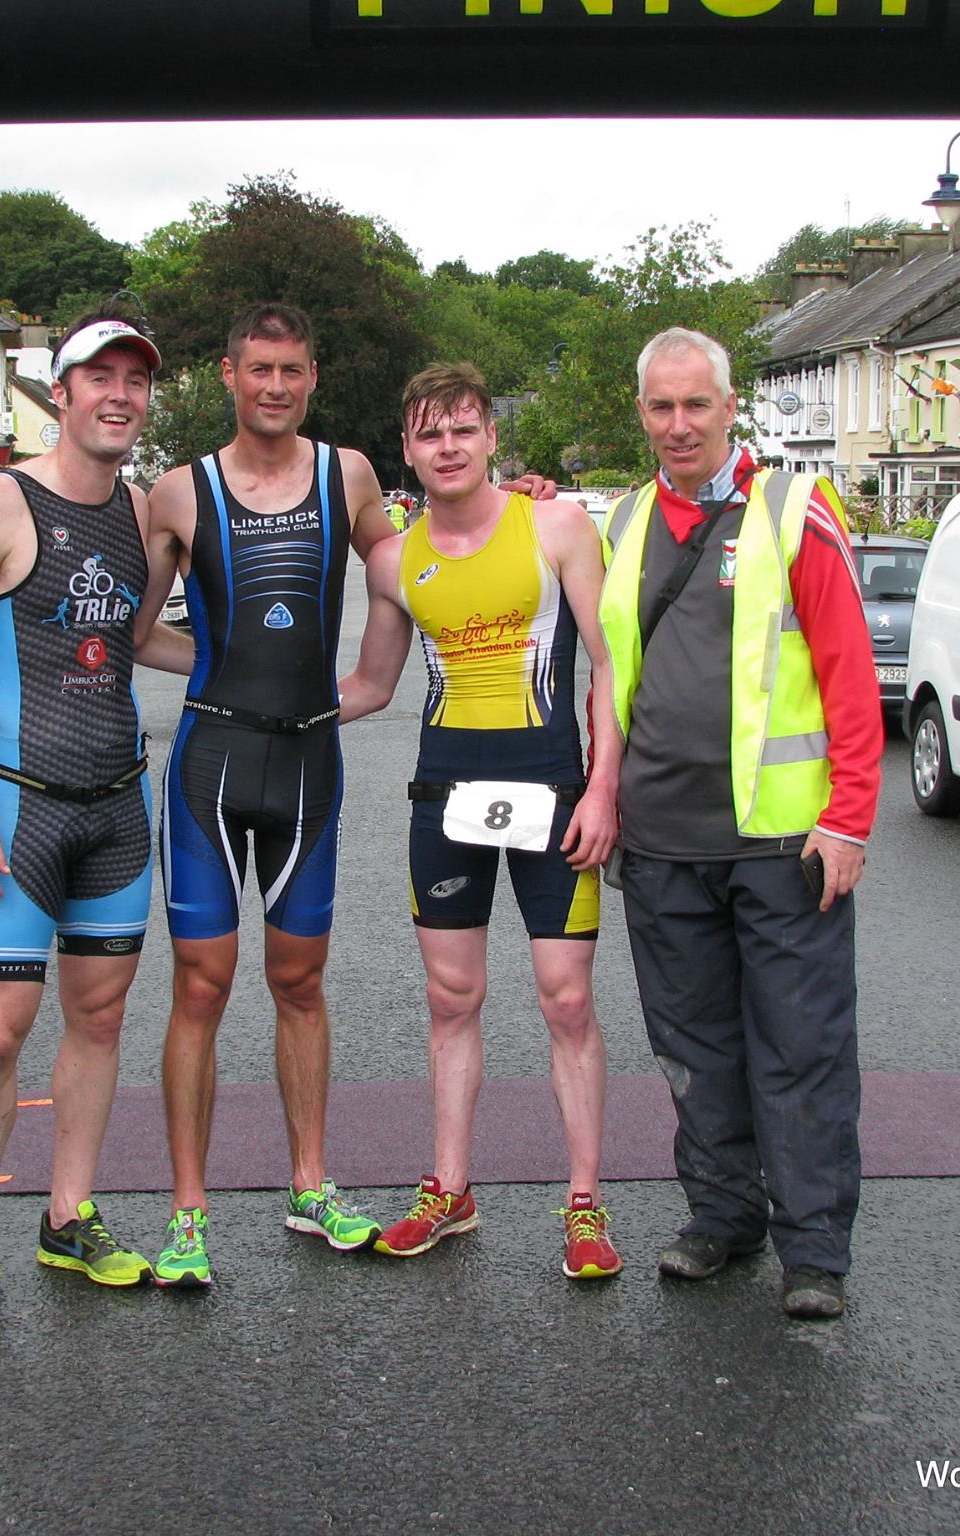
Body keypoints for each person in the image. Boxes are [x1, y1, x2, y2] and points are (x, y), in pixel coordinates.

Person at [600, 326, 881, 1320]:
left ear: (729, 409)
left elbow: (851, 679)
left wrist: (848, 819)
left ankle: (813, 1251)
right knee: (693, 1046)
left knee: (799, 1044)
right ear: (641, 414)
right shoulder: (624, 524)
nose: (677, 424)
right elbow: (607, 679)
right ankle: (721, 1219)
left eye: (695, 405)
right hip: (661, 842)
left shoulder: (793, 514)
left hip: (781, 844)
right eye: (659, 407)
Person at [338, 362, 624, 1281]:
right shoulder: (396, 560)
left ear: (492, 436)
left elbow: (615, 671)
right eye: (428, 434)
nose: (447, 447)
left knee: (566, 997)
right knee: (451, 999)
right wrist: (244, 697)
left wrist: (604, 789)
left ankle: (583, 1201)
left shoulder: (558, 525)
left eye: (463, 428)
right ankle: (450, 1188)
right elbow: (371, 687)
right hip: (445, 799)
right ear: (408, 452)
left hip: (554, 794)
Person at [132, 303, 396, 1287]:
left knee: (299, 983)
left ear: (310, 376)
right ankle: (188, 1213)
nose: (275, 387)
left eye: (291, 370)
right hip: (210, 766)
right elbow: (131, 630)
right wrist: (213, 664)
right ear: (228, 376)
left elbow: (399, 573)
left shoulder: (349, 475)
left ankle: (309, 1185)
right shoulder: (179, 492)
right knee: (199, 986)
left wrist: (368, 683)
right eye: (258, 371)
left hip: (306, 767)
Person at [0, 308, 163, 1329]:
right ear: (57, 394)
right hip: (15, 810)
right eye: (95, 378)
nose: (116, 395)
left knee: (97, 1019)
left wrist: (277, 676)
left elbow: (147, 640)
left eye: (133, 381)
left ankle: (69, 1216)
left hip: (114, 809)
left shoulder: (145, 513)